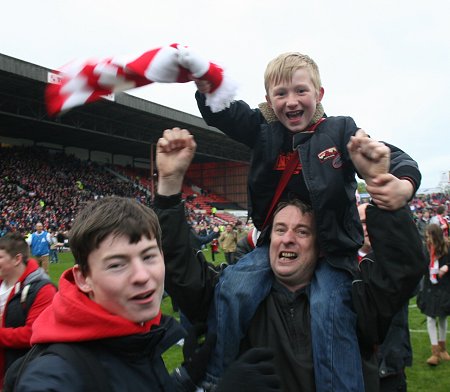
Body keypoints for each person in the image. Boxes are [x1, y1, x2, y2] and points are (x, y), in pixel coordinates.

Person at [190, 50, 422, 390]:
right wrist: (208, 84)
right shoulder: (261, 129)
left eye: (301, 91)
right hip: (276, 243)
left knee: (329, 307)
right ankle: (213, 379)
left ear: (319, 94)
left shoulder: (340, 130)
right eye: (280, 94)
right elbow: (225, 114)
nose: (291, 101)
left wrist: (401, 184)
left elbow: (393, 155)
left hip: (332, 252)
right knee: (234, 288)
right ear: (268, 99)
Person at [153, 128, 426, 392]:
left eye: (303, 231)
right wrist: (169, 187)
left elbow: (403, 269)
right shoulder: (231, 295)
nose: (287, 238)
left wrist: (380, 185)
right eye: (280, 229)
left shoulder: (354, 301)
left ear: (321, 248)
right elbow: (180, 270)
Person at [9, 196, 279, 392]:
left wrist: (184, 380)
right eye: (117, 264)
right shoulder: (55, 376)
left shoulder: (133, 336)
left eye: (149, 256)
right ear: (83, 279)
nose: (142, 275)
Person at [357, 203, 412, 392]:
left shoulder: (395, 261)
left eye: (372, 221)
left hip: (390, 367)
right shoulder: (342, 264)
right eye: (363, 222)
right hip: (357, 368)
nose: (368, 227)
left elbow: (412, 286)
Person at [0, 233, 56, 388]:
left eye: (0, 257)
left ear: (17, 259)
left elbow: (33, 334)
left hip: (19, 375)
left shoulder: (43, 290)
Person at [416, 223, 450, 366]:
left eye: (429, 235)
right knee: (430, 318)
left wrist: (447, 266)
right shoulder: (425, 249)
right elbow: (421, 266)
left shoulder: (447, 247)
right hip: (429, 288)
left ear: (435, 235)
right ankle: (435, 352)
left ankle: (443, 349)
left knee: (442, 317)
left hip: (444, 287)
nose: (427, 238)